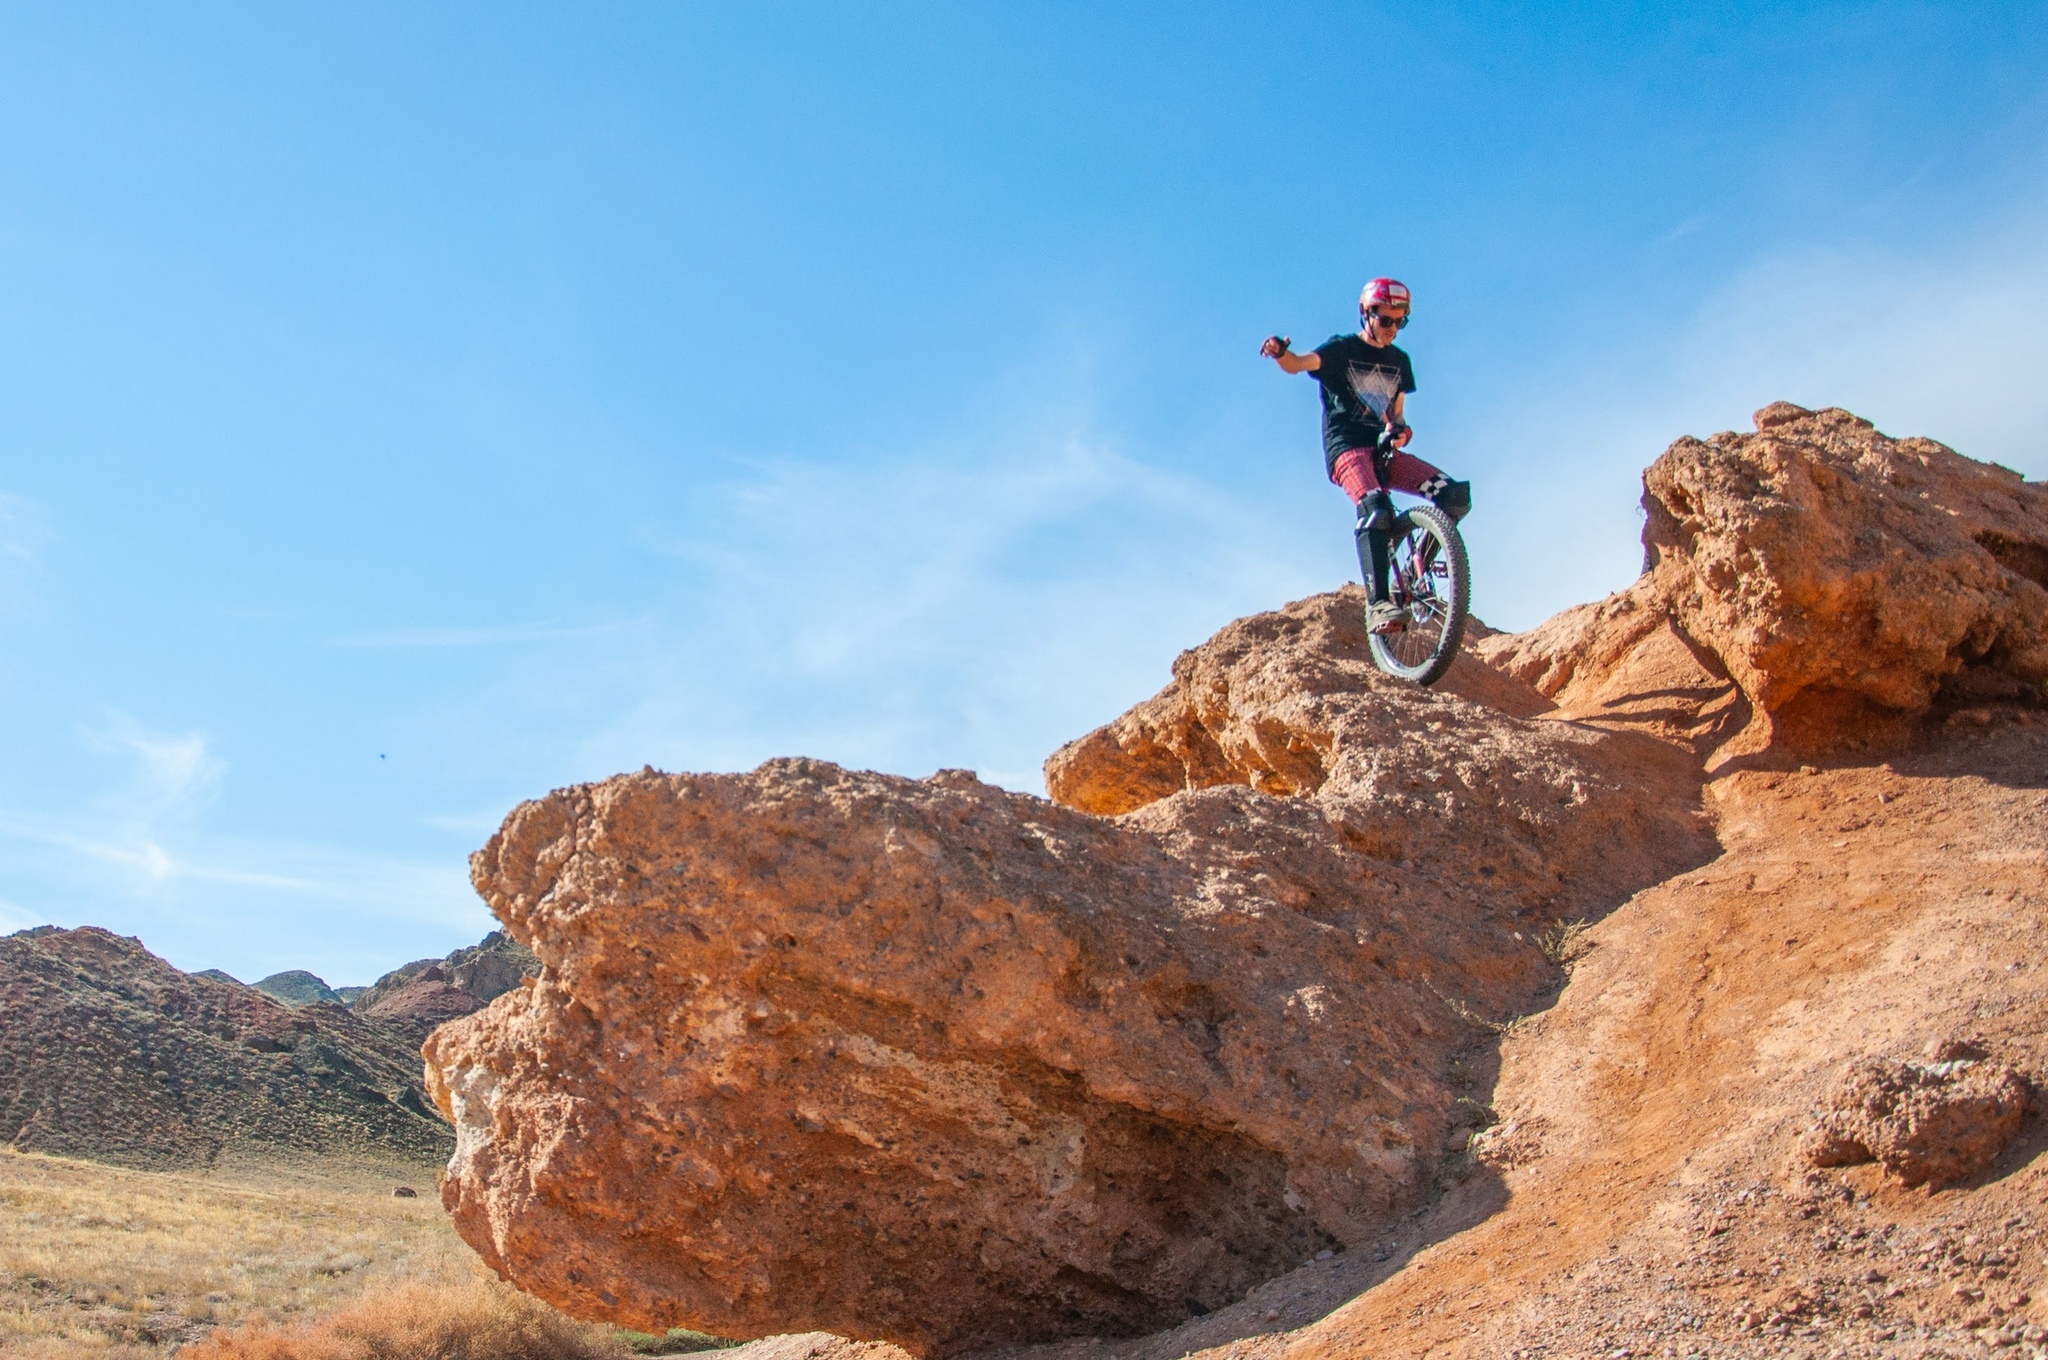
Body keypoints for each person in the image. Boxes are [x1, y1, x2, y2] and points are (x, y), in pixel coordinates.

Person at [1261, 278, 1470, 634]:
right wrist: (1281, 353)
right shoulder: (1342, 350)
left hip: (1380, 451)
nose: (1392, 329)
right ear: (1366, 314)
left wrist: (1401, 430)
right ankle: (1378, 605)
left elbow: (1397, 415)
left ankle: (1414, 565)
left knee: (1454, 496)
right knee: (1376, 509)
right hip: (1346, 449)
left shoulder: (1400, 362)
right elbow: (1299, 364)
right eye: (1385, 320)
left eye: (1399, 321)